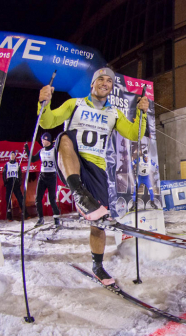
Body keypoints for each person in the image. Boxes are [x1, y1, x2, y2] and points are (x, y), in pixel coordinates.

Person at [38, 67, 149, 285]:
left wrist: (141, 113)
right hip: (73, 162)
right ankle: (78, 193)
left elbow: (134, 134)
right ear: (92, 84)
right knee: (64, 137)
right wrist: (44, 103)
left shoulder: (114, 113)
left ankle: (97, 266)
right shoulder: (74, 104)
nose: (105, 83)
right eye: (101, 79)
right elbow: (47, 122)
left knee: (99, 224)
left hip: (97, 168)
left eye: (109, 81)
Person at [24, 132, 61, 227]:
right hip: (42, 176)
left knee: (52, 199)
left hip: (52, 176)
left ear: (48, 140)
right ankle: (40, 218)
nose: (42, 142)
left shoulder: (54, 150)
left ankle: (56, 218)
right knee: (38, 199)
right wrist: (27, 150)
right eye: (42, 140)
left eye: (43, 140)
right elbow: (32, 160)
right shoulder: (41, 151)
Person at [2, 150, 30, 221]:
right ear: (10, 156)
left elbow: (20, 174)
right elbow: (4, 173)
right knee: (8, 199)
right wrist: (5, 182)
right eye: (11, 155)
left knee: (20, 199)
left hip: (16, 182)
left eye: (14, 155)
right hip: (9, 182)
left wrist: (19, 182)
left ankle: (25, 214)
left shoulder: (17, 164)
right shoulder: (7, 164)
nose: (12, 156)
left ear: (15, 156)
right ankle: (9, 217)